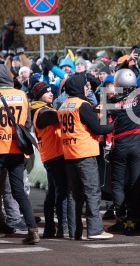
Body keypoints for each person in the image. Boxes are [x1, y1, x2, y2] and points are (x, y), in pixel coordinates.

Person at [58, 74, 114, 240]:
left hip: (69, 153)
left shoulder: (64, 105)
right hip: (85, 153)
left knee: (75, 195)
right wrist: (113, 125)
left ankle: (75, 231)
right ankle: (95, 230)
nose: (87, 88)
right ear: (79, 87)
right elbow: (98, 129)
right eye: (85, 85)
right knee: (92, 192)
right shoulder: (83, 105)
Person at [107, 47, 140, 235]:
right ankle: (134, 220)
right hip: (135, 144)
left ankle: (121, 219)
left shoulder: (111, 102)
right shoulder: (138, 98)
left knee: (117, 184)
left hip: (119, 144)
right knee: (135, 182)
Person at [0, 64, 39, 244]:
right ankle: (32, 230)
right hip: (17, 148)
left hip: (0, 146)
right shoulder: (22, 95)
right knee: (19, 192)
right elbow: (27, 123)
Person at [31, 82, 70, 238]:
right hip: (55, 156)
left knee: (53, 193)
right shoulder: (42, 112)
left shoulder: (42, 110)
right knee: (61, 192)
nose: (51, 93)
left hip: (51, 156)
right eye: (46, 92)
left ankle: (49, 228)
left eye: (50, 91)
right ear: (39, 95)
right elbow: (59, 117)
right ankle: (61, 226)